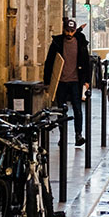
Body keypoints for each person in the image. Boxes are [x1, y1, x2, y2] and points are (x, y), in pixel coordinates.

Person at [43, 18, 91, 146]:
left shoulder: (81, 43)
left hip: (76, 81)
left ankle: (78, 134)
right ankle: (62, 136)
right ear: (63, 30)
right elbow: (49, 62)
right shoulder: (57, 43)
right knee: (61, 110)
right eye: (67, 31)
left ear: (75, 31)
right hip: (61, 82)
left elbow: (86, 63)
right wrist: (47, 82)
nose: (69, 33)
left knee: (77, 109)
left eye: (72, 31)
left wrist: (87, 81)